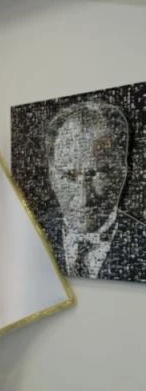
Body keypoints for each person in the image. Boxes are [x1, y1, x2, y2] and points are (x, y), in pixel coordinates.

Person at [44, 101, 146, 281]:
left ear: (123, 172)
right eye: (68, 175)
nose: (83, 199)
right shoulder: (29, 235)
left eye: (96, 174)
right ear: (51, 175)